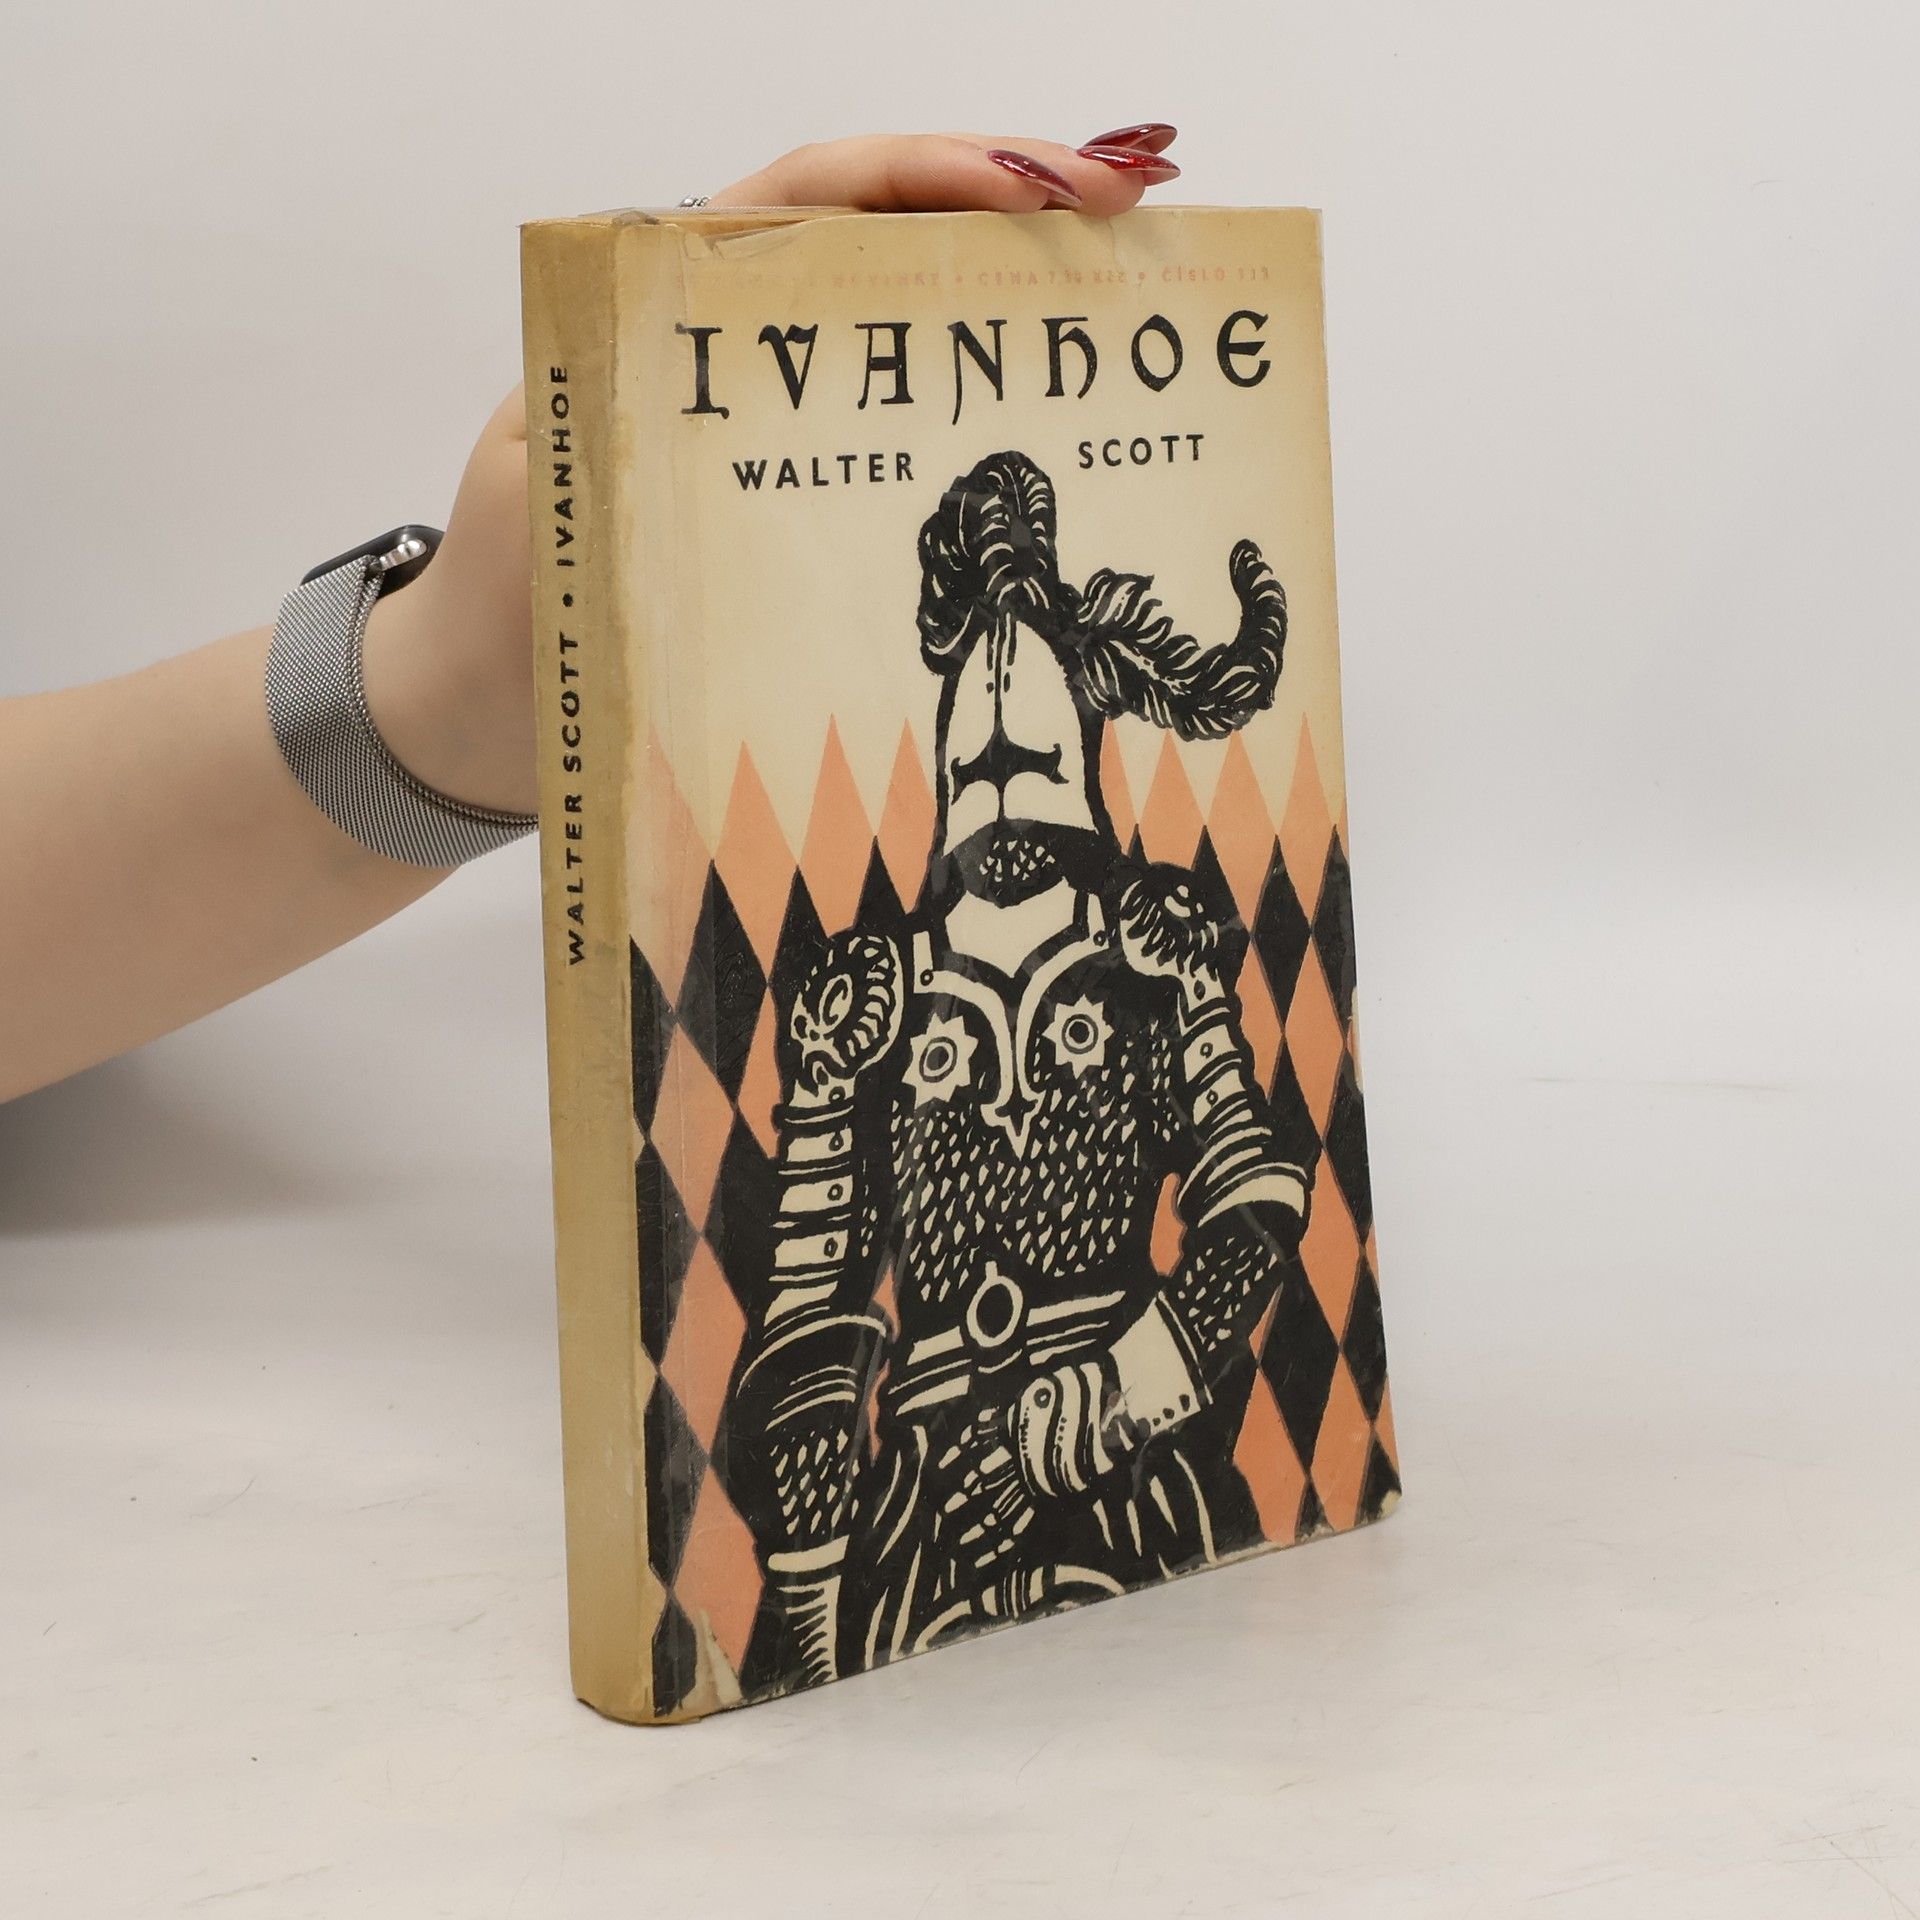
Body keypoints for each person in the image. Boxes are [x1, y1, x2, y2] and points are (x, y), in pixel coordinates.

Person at [0, 128, 1181, 1106]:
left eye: (1033, 768)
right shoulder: (876, 998)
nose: (1003, 806)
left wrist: (458, 690)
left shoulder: (1170, 971)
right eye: (977, 771)